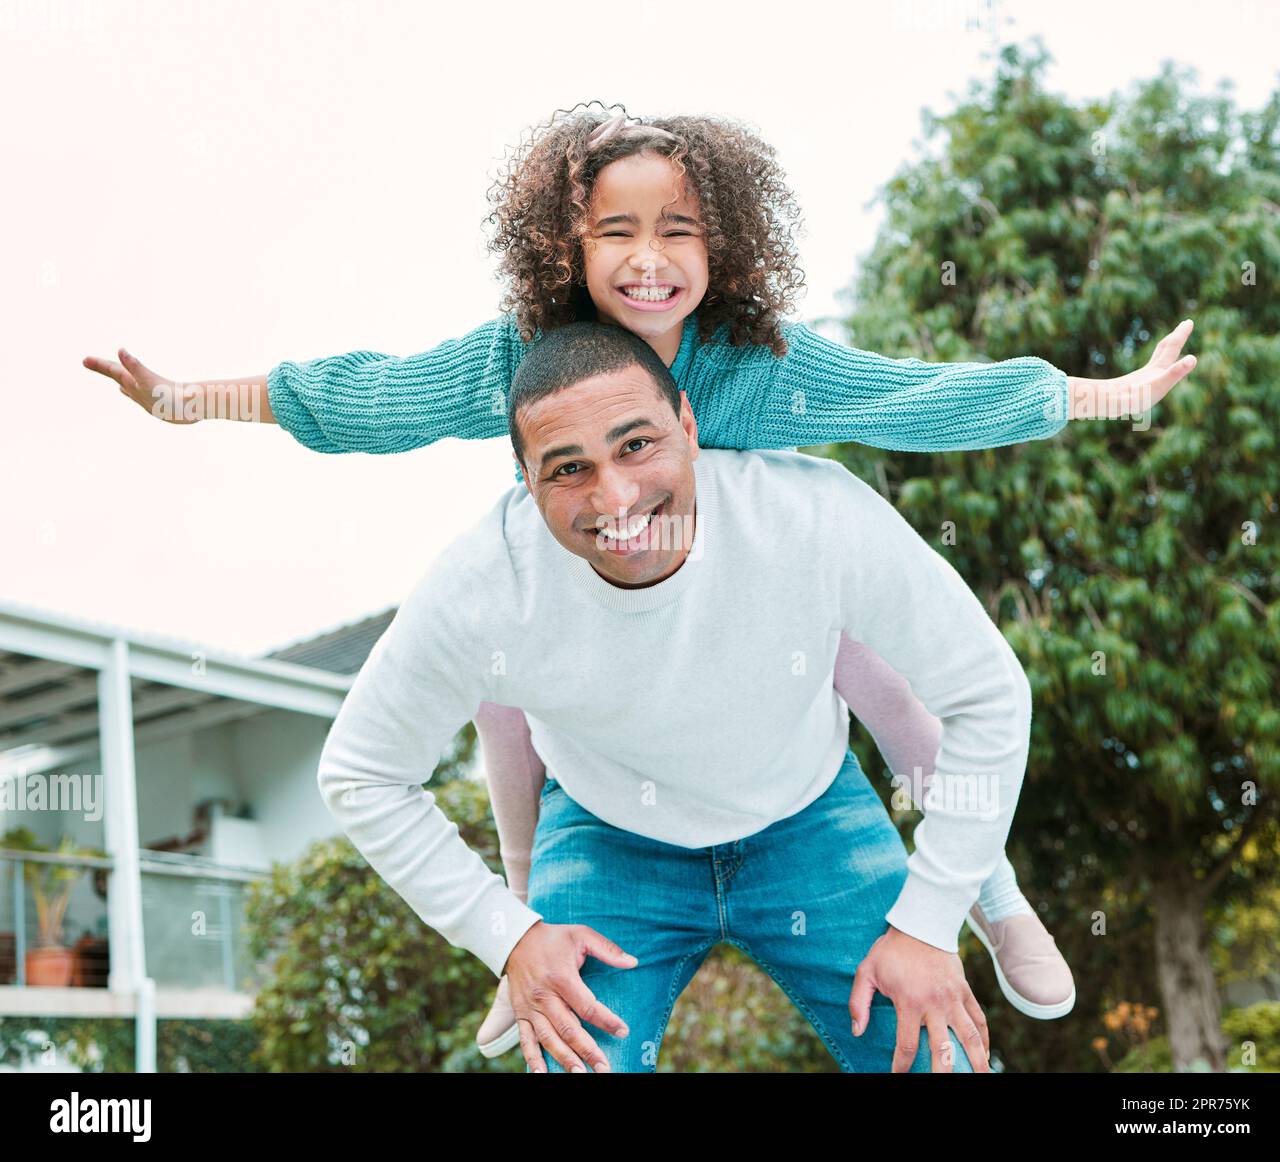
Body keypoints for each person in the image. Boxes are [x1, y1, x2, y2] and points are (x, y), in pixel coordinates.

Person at [86, 103, 1197, 1053]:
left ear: (726, 249)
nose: (645, 257)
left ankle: (994, 900)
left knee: (892, 679)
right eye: (613, 231)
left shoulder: (763, 366)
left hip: (772, 606)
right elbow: (375, 398)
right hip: (601, 639)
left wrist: (1099, 396)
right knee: (504, 690)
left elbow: (915, 397)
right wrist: (200, 399)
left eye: (677, 230)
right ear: (564, 248)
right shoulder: (521, 359)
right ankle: (528, 911)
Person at [317, 320, 1041, 1073]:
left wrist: (928, 924)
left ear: (690, 425)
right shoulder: (482, 587)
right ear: (526, 481)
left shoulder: (810, 516)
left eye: (636, 445)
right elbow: (361, 772)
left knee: (938, 1061)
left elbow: (988, 690)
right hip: (609, 840)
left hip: (809, 816)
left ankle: (1003, 913)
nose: (616, 496)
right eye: (569, 468)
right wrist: (507, 933)